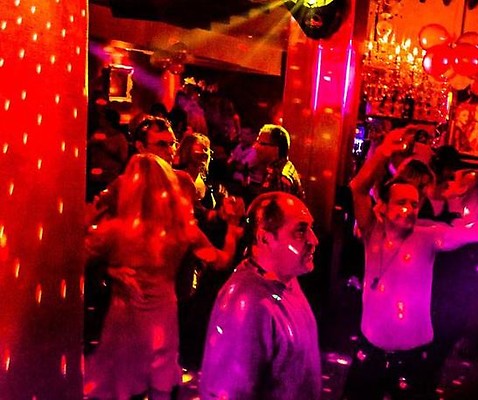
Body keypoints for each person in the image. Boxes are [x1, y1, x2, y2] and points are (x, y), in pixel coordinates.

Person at [345, 129, 478, 399]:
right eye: (401, 203)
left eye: (414, 203)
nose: (409, 209)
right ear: (385, 206)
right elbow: (357, 188)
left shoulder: (428, 237)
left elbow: (476, 231)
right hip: (370, 354)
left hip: (413, 359)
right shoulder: (372, 233)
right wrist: (383, 152)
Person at [83, 154, 242, 400]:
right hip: (163, 319)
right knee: (161, 380)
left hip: (125, 319)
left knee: (122, 384)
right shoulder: (182, 229)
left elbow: (74, 260)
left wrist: (91, 225)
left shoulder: (116, 231)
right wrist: (232, 229)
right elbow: (221, 261)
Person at [200, 192, 321, 400]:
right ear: (265, 238)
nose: (314, 240)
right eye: (301, 231)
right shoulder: (246, 303)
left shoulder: (285, 280)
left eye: (310, 229)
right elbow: (225, 393)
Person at [254, 124, 304, 199]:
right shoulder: (274, 170)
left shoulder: (280, 177)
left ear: (276, 149)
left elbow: (281, 206)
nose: (255, 147)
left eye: (261, 143)